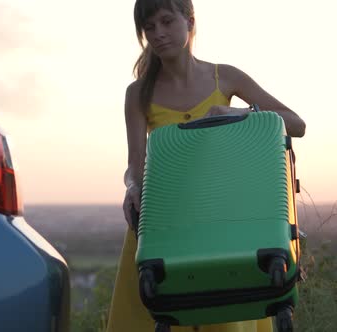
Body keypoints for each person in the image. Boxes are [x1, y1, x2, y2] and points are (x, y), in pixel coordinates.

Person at [107, 0, 307, 331]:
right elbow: (135, 164)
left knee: (224, 314)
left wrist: (241, 112)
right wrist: (131, 187)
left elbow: (296, 124)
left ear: (189, 21)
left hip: (221, 221)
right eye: (149, 27)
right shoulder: (137, 93)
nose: (158, 34)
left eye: (167, 22)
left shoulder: (225, 77)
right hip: (160, 226)